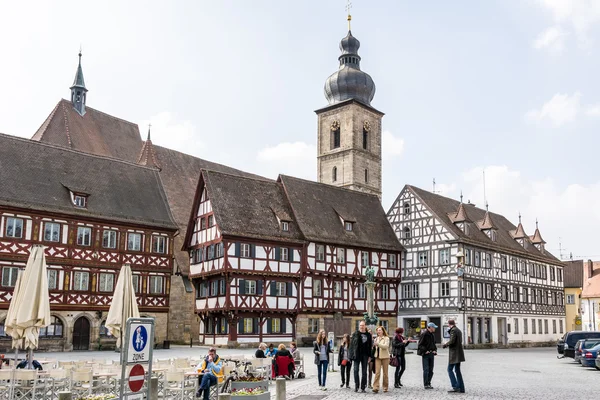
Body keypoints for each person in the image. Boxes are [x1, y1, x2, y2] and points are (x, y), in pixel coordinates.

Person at [443, 320, 466, 394]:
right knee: (457, 371)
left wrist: (445, 344)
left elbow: (452, 340)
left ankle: (455, 386)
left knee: (449, 369)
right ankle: (461, 388)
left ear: (449, 324)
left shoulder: (453, 330)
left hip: (454, 354)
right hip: (459, 353)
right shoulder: (458, 330)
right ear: (454, 323)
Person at [349, 320, 372, 393]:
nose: (361, 327)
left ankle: (363, 387)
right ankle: (356, 385)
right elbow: (351, 346)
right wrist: (351, 356)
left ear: (365, 326)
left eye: (363, 325)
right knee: (355, 370)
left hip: (365, 355)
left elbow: (370, 346)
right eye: (360, 325)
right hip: (357, 355)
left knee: (364, 371)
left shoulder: (369, 335)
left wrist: (370, 356)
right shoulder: (355, 334)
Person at [418, 322, 438, 390]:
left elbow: (434, 344)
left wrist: (435, 350)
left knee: (431, 370)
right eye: (434, 327)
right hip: (426, 354)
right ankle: (426, 384)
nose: (435, 329)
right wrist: (425, 350)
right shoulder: (424, 334)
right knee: (426, 370)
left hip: (431, 354)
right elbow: (420, 345)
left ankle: (429, 382)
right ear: (430, 327)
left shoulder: (432, 335)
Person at [372, 326, 390, 393]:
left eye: (379, 330)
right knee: (377, 373)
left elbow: (386, 346)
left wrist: (378, 344)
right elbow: (375, 348)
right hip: (377, 357)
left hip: (385, 357)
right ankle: (375, 387)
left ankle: (385, 387)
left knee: (385, 373)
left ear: (383, 331)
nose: (378, 332)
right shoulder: (376, 338)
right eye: (377, 330)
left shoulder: (386, 338)